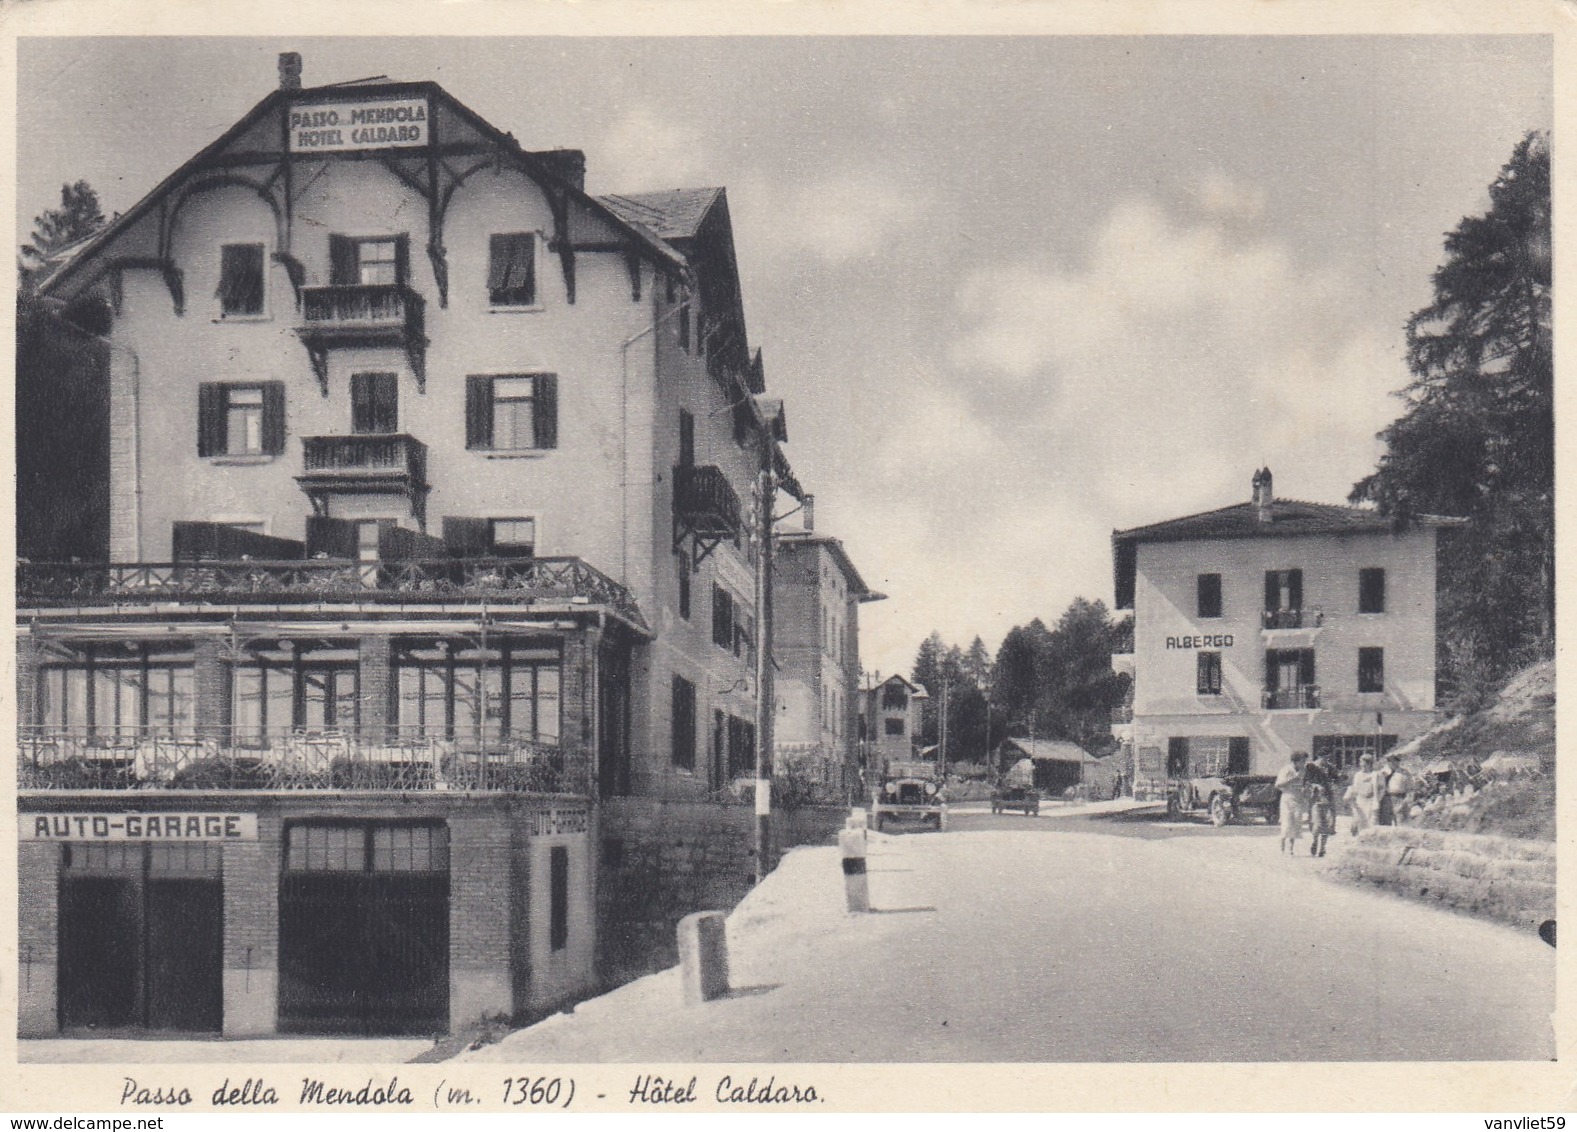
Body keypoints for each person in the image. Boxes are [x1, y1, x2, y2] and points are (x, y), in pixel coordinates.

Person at [1274, 751, 1309, 855]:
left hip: (1298, 798)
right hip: (1287, 798)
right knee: (1286, 823)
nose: (1304, 763)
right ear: (1296, 761)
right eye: (1302, 761)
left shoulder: (1303, 770)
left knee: (1296, 822)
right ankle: (1282, 850)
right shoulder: (1286, 770)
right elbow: (1278, 785)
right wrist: (1293, 779)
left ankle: (1291, 850)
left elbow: (1304, 783)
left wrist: (1304, 789)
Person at [1304, 753, 1336, 857]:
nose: (1326, 760)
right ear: (1319, 757)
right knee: (1317, 823)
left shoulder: (1330, 767)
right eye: (1325, 758)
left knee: (1328, 823)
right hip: (1316, 798)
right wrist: (1316, 785)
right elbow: (1306, 782)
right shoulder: (1311, 767)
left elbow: (1336, 780)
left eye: (1328, 758)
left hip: (1328, 798)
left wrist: (1337, 781)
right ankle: (1315, 841)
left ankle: (1322, 848)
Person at [1344, 751, 1382, 835]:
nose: (1362, 765)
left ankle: (1371, 843)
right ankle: (1361, 842)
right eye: (1361, 763)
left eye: (1364, 763)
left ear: (1369, 764)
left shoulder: (1375, 774)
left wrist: (1377, 800)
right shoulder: (1357, 775)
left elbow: (1381, 789)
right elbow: (1354, 788)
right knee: (1360, 823)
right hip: (1360, 801)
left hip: (1371, 801)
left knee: (1372, 823)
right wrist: (1348, 798)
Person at [1378, 751, 1413, 826]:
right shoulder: (1382, 773)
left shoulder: (1404, 772)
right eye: (1390, 761)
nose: (1393, 763)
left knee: (1399, 820)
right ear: (1388, 762)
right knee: (1385, 822)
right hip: (1386, 798)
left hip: (1399, 798)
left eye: (1396, 760)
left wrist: (1408, 799)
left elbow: (1410, 788)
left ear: (1399, 761)